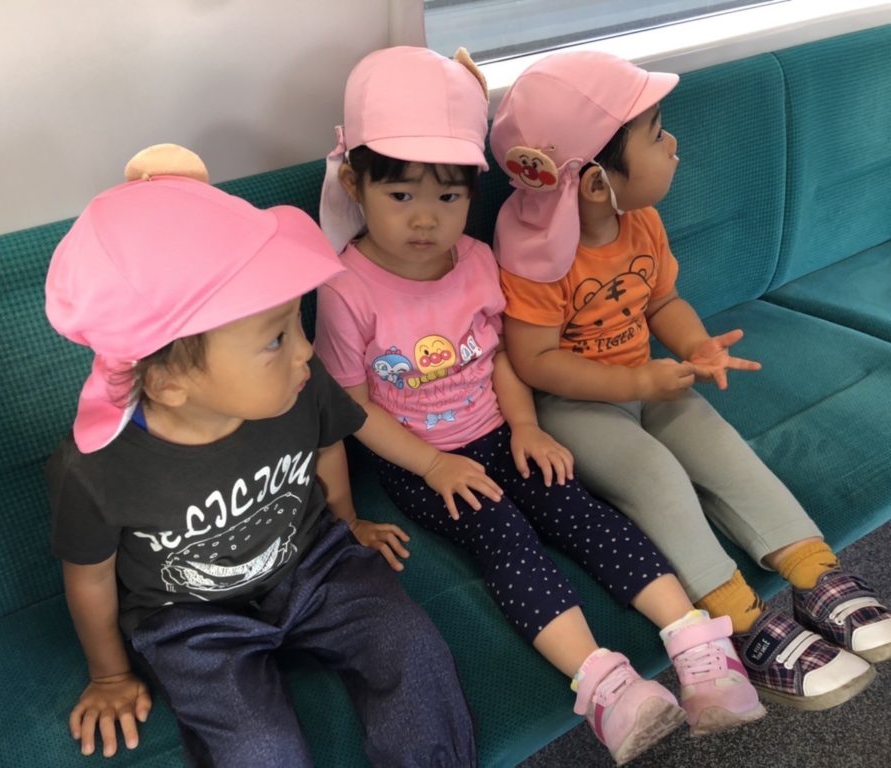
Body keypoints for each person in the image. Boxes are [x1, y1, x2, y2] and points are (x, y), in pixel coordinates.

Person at [314, 46, 764, 766]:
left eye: (449, 198)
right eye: (400, 197)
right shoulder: (345, 288)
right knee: (506, 537)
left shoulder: (474, 259)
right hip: (423, 460)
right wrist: (433, 465)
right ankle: (605, 684)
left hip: (500, 430)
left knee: (576, 505)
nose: (427, 220)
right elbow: (350, 402)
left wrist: (525, 425)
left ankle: (694, 641)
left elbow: (497, 356)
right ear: (354, 184)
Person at [44, 144, 476, 767]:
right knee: (257, 748)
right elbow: (88, 576)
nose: (305, 351)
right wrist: (109, 674)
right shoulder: (96, 470)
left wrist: (347, 521)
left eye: (297, 322)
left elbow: (326, 445)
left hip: (314, 564)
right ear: (167, 382)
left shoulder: (298, 385)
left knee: (411, 648)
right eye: (275, 338)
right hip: (189, 619)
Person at [491, 50, 891, 714]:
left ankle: (813, 571)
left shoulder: (640, 221)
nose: (674, 145)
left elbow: (662, 302)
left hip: (649, 380)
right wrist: (636, 383)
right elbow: (534, 361)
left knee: (723, 449)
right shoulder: (535, 253)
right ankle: (739, 617)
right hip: (573, 404)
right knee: (655, 476)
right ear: (594, 184)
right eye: (656, 135)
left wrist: (695, 345)